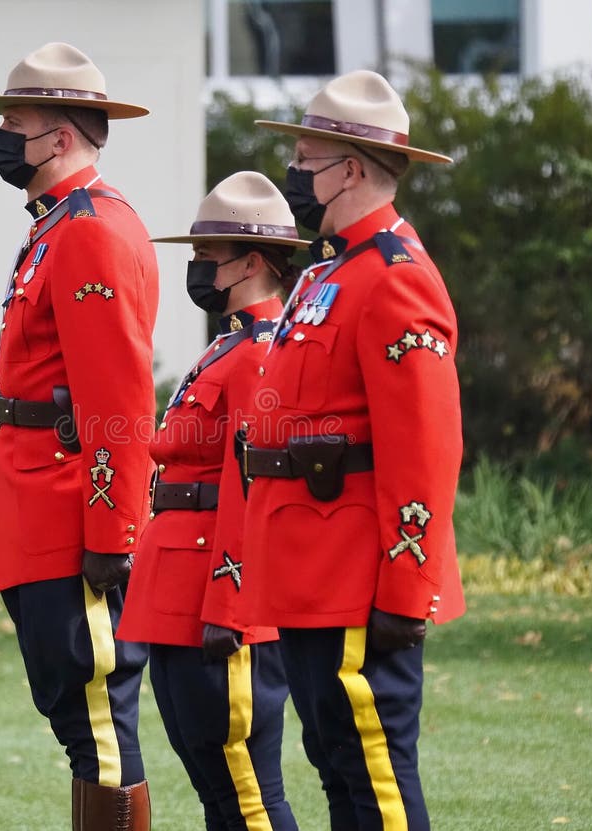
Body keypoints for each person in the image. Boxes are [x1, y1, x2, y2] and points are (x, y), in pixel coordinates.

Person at [230, 70, 466, 830]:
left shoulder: (396, 279)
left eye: (304, 160)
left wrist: (407, 584)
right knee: (337, 767)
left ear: (351, 169)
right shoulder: (330, 272)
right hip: (310, 570)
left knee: (374, 780)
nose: (293, 175)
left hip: (362, 577)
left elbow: (423, 447)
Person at [0, 42, 158, 830]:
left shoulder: (88, 231)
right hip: (38, 509)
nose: (5, 134)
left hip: (76, 512)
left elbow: (117, 398)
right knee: (80, 727)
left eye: (17, 120)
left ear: (64, 134)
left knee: (100, 729)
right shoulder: (56, 227)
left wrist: (112, 530)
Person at [118, 171, 307, 830]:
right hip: (175, 589)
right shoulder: (228, 344)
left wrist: (232, 602)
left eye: (206, 256)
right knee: (216, 790)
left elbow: (249, 486)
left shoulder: (260, 353)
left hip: (219, 599)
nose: (196, 269)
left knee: (248, 791)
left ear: (251, 261)